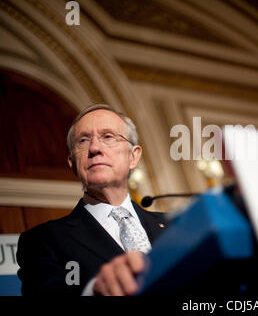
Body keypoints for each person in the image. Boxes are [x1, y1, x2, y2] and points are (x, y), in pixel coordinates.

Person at [16, 104, 169, 296]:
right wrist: (95, 291)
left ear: (133, 156)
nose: (95, 148)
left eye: (108, 136)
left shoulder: (175, 226)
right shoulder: (41, 241)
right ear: (72, 163)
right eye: (83, 140)